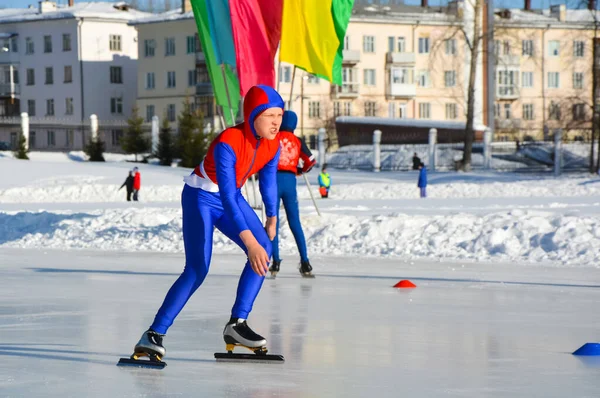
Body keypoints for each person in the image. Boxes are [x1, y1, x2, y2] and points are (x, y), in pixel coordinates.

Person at [131, 85, 285, 361]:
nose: (276, 122)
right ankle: (153, 334)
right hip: (201, 197)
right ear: (253, 115)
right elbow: (225, 195)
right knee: (198, 268)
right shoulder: (228, 140)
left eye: (280, 115)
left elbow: (269, 180)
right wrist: (249, 242)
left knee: (266, 247)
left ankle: (237, 325)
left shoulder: (274, 143)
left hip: (231, 197)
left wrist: (272, 217)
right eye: (270, 115)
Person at [269, 110, 316, 278]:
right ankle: (305, 262)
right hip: (290, 182)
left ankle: (275, 261)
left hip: (273, 181)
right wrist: (300, 170)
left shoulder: (273, 137)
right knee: (295, 222)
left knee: (272, 220)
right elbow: (311, 161)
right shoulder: (297, 141)